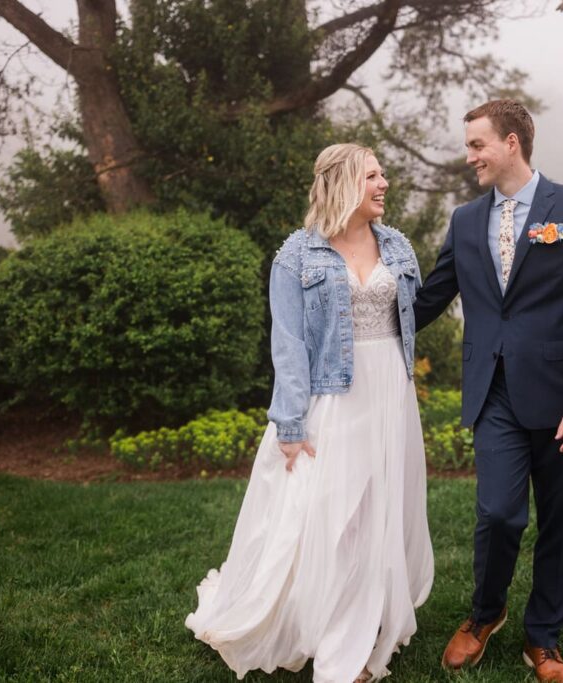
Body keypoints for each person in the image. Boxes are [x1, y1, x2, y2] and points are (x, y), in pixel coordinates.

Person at [186, 143, 434, 683]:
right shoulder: (297, 256)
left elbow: (411, 319)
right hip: (332, 398)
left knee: (377, 511)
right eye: (373, 175)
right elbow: (288, 345)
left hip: (390, 394)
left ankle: (363, 619)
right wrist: (291, 423)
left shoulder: (397, 247)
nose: (384, 183)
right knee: (332, 515)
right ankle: (335, 639)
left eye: (383, 173)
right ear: (344, 183)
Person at [413, 100, 563, 683]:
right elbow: (432, 296)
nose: (470, 155)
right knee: (499, 514)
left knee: (561, 522)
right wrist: (364, 312)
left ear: (511, 143)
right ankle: (485, 614)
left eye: (477, 144)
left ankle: (544, 639)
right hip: (494, 394)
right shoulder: (464, 220)